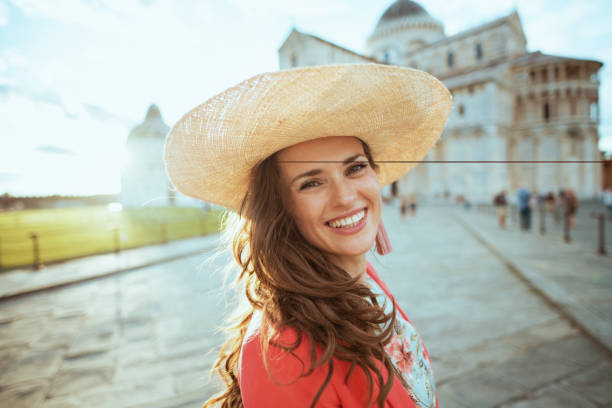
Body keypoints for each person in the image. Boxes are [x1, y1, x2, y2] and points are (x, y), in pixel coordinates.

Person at [164, 64, 452, 408]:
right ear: (279, 209)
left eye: (355, 168)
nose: (345, 197)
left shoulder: (362, 277)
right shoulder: (282, 355)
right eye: (312, 183)